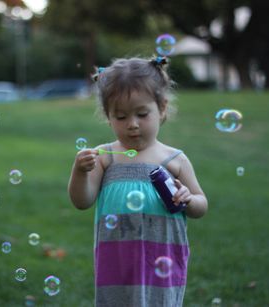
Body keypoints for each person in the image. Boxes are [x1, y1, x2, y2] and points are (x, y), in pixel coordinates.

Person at [68, 56, 208, 307]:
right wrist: (79, 172)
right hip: (117, 260)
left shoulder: (175, 160)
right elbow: (82, 201)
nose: (132, 125)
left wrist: (189, 199)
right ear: (108, 116)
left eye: (142, 114)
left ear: (162, 108)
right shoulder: (106, 157)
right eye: (120, 117)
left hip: (162, 254)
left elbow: (201, 204)